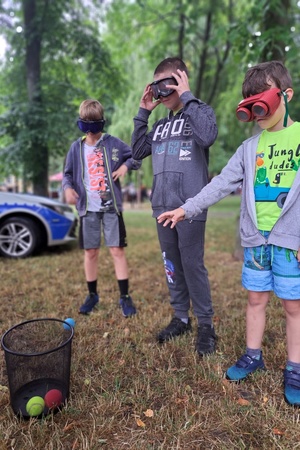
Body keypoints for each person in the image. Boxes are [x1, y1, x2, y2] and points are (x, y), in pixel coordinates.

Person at [157, 61, 300, 405]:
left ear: (286, 95)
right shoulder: (249, 148)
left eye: (262, 100)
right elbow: (220, 183)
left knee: (294, 306)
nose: (257, 110)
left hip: (290, 243)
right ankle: (253, 355)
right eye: (249, 103)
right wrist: (187, 207)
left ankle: (295, 367)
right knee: (255, 299)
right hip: (257, 243)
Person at [131, 57, 218, 356]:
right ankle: (181, 317)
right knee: (172, 267)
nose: (161, 92)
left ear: (180, 80)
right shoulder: (159, 125)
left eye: (166, 84)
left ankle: (206, 325)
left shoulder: (200, 111)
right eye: (157, 86)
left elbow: (207, 137)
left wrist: (188, 98)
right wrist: (143, 112)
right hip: (162, 208)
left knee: (193, 266)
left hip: (190, 207)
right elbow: (138, 150)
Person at [63, 99, 141, 317]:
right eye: (85, 123)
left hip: (110, 208)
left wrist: (125, 166)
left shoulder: (113, 143)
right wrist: (68, 189)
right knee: (91, 252)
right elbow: (67, 174)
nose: (90, 129)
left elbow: (137, 155)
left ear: (101, 122)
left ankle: (125, 296)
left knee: (117, 250)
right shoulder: (76, 148)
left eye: (93, 123)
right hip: (88, 209)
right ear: (81, 123)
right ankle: (92, 295)